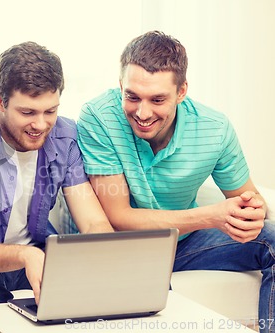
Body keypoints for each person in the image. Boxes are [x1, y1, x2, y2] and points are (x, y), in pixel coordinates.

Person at [77, 30, 275, 333]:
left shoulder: (215, 128)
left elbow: (248, 199)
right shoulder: (98, 117)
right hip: (122, 246)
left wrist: (251, 213)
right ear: (120, 86)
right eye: (131, 97)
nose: (142, 113)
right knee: (149, 292)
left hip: (186, 243)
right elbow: (118, 218)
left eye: (157, 99)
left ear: (182, 91)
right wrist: (211, 216)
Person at [0, 41, 114, 320]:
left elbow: (93, 222)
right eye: (28, 113)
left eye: (50, 111)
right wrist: (24, 255)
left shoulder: (65, 136)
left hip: (38, 252)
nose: (41, 125)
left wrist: (112, 261)